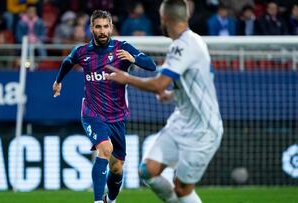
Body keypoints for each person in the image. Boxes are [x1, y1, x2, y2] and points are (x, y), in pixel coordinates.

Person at [106, 0, 223, 202]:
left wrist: (126, 78)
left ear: (164, 19)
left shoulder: (184, 45)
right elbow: (195, 83)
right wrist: (172, 95)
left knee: (182, 190)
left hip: (203, 129)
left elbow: (159, 84)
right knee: (148, 171)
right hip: (182, 121)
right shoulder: (189, 42)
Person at [52, 10, 156, 203]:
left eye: (105, 26)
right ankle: (98, 201)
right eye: (98, 27)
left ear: (111, 28)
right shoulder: (82, 52)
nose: (102, 31)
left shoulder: (122, 48)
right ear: (91, 28)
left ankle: (111, 200)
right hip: (92, 113)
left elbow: (152, 65)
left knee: (117, 167)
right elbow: (68, 61)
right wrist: (58, 81)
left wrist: (134, 60)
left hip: (117, 117)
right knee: (105, 150)